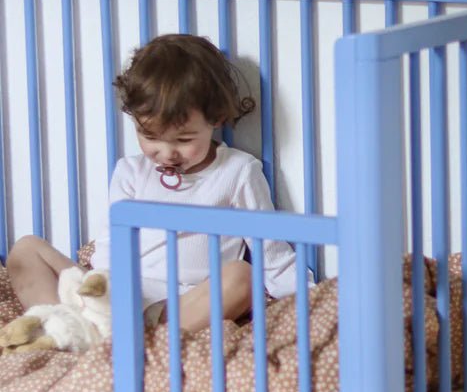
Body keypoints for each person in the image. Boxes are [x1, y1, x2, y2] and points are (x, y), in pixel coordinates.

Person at [5, 34, 298, 335]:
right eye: (150, 137)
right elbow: (111, 244)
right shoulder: (131, 171)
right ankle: (68, 324)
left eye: (184, 139)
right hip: (119, 293)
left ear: (217, 118)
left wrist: (308, 298)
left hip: (181, 303)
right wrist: (102, 289)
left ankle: (134, 337)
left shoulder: (238, 171)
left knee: (243, 277)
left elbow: (271, 251)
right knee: (26, 249)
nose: (167, 153)